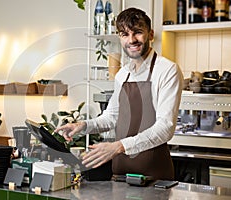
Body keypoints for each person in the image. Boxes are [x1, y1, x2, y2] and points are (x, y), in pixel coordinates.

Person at [55, 7, 183, 180]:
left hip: (154, 176)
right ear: (120, 38)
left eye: (137, 32)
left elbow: (165, 128)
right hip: (120, 174)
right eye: (125, 34)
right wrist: (83, 126)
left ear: (151, 34)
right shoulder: (123, 74)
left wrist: (118, 147)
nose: (132, 40)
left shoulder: (167, 70)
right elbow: (112, 117)